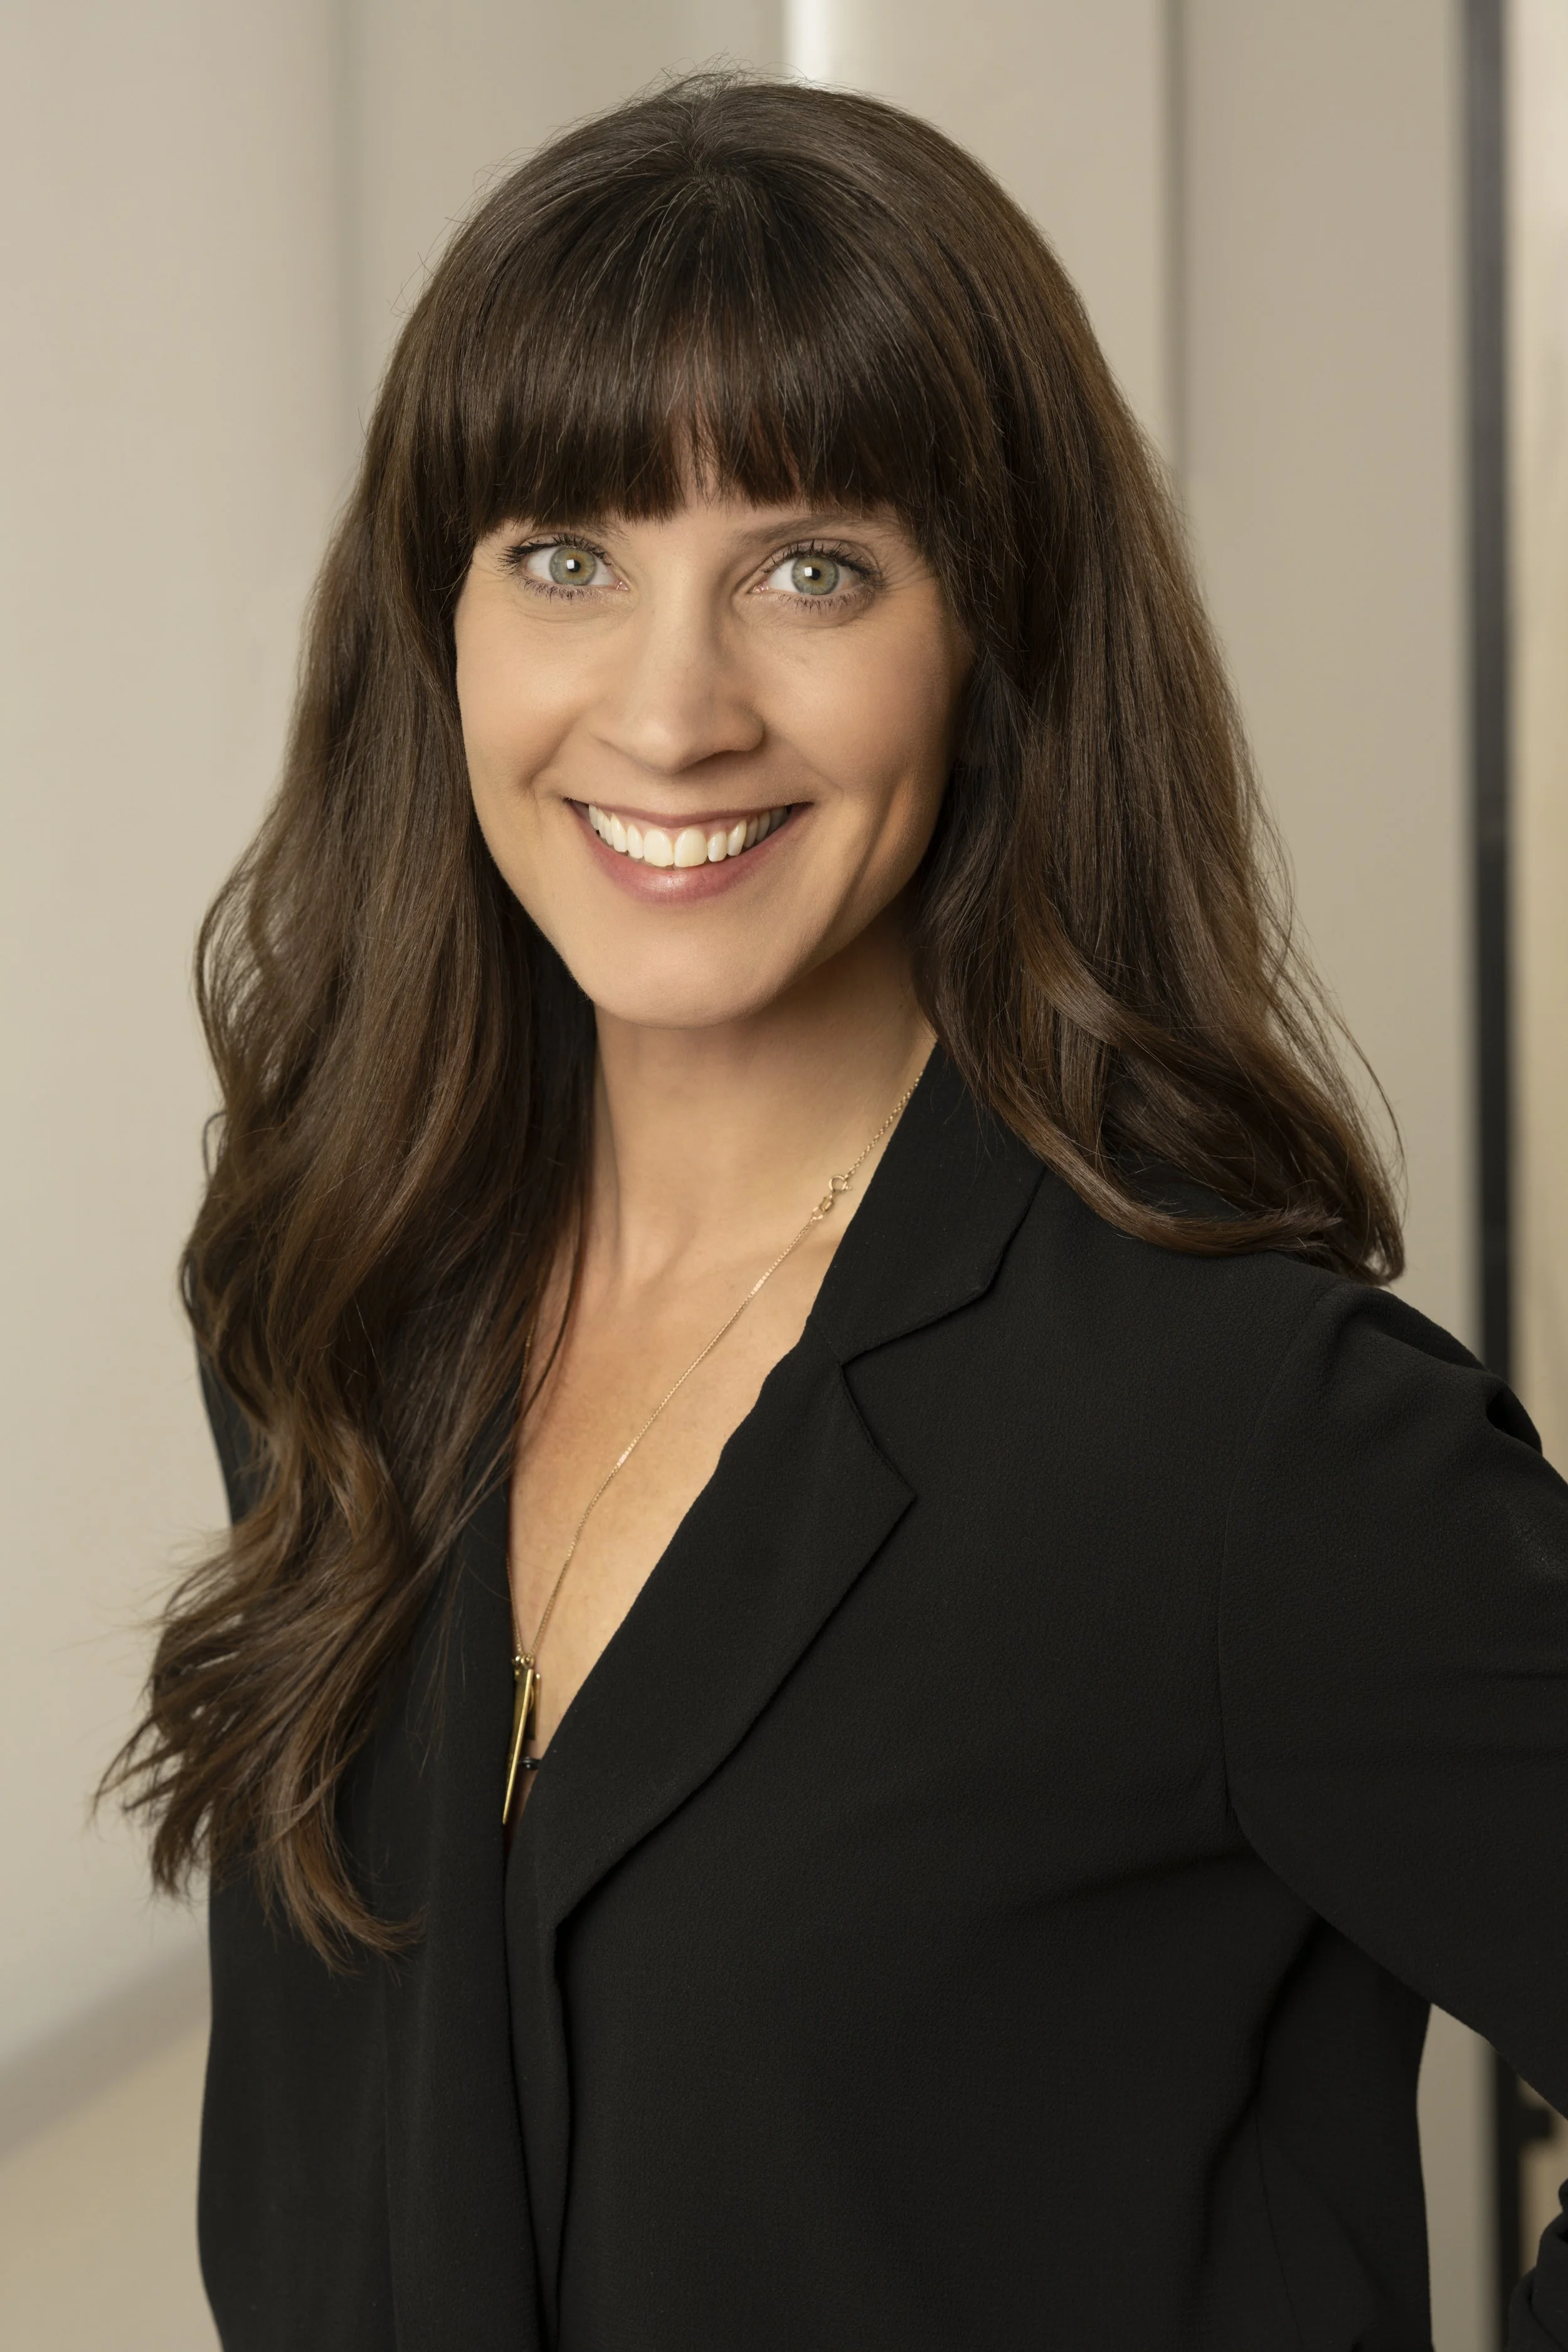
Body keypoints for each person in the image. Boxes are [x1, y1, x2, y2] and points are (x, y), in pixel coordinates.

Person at [110, 70, 1568, 2352]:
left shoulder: (1242, 1439)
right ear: (443, 628)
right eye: (566, 557)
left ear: (993, 638)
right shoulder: (334, 1286)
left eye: (810, 567)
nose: (671, 710)